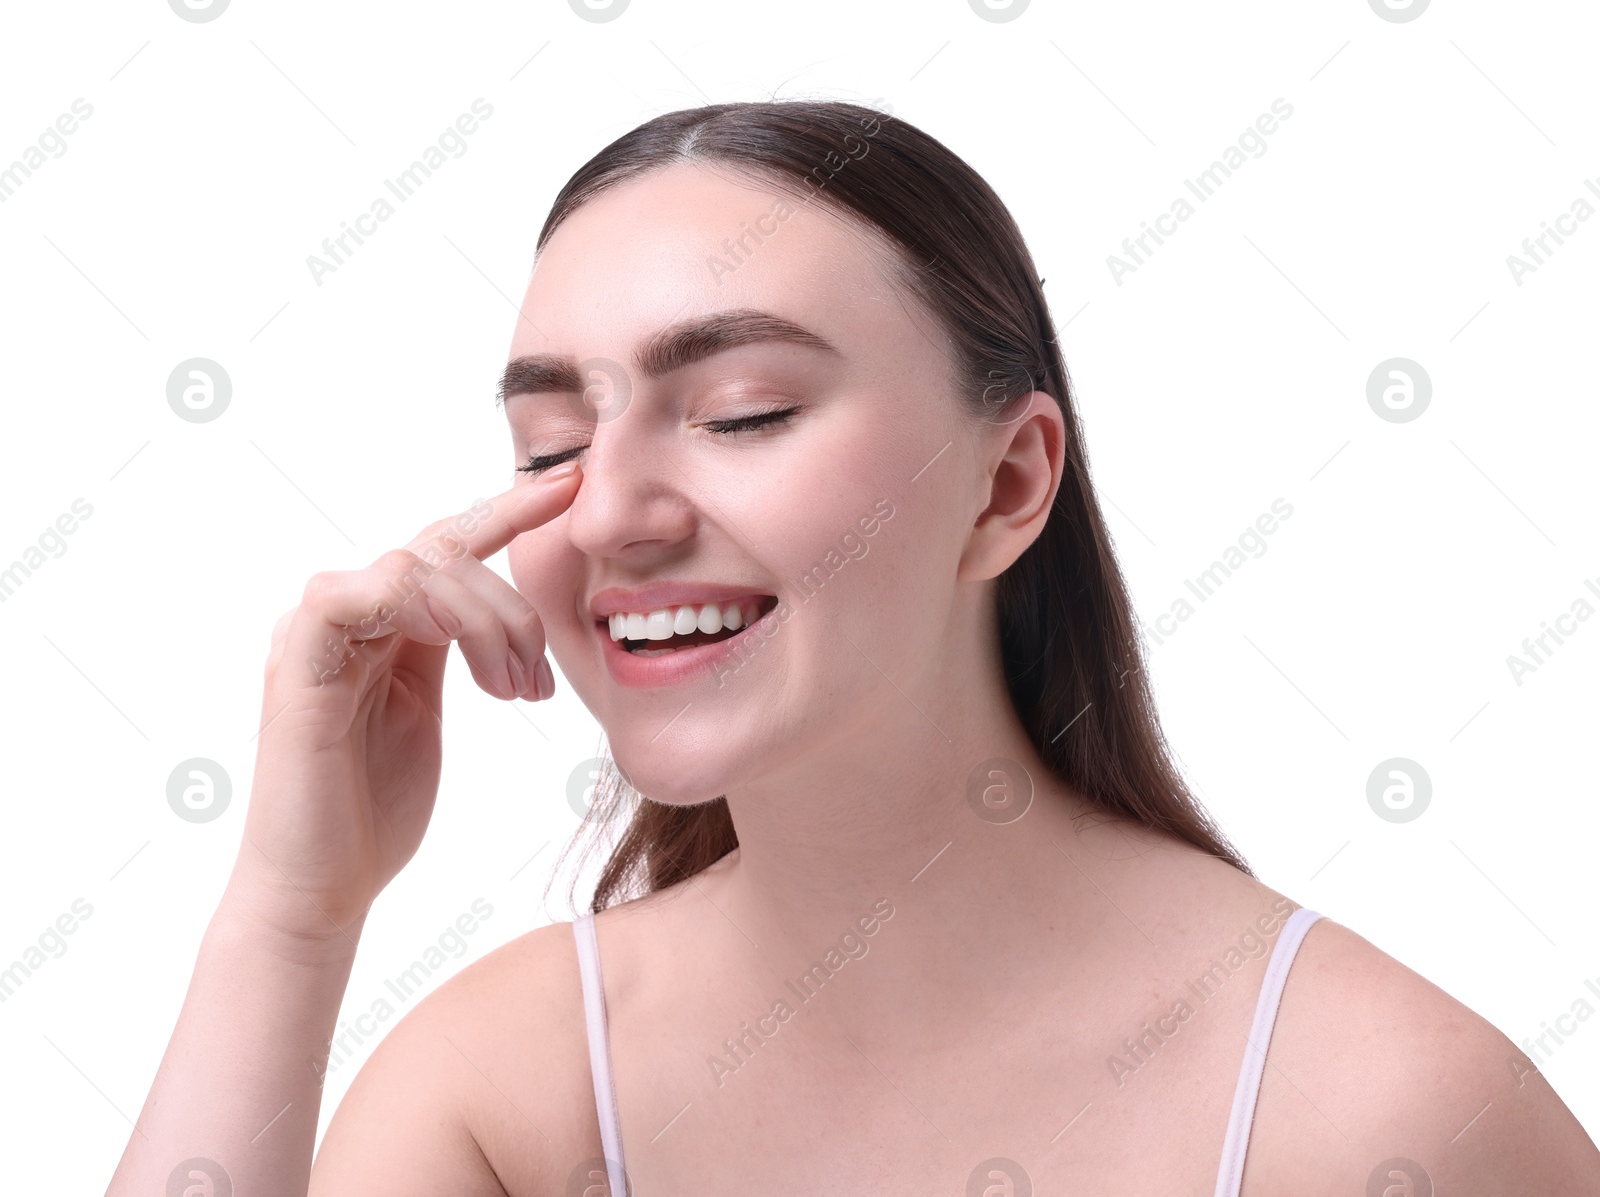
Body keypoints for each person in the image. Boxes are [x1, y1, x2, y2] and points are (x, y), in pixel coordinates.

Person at [106, 99, 1600, 1195]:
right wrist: (291, 916)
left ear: (1008, 485)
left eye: (743, 412)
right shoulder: (515, 1086)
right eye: (552, 440)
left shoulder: (1377, 1114)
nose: (613, 511)